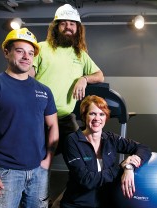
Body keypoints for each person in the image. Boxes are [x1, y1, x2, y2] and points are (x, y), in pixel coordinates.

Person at [0, 28, 59, 208]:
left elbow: (53, 126)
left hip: (38, 172)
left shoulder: (44, 90)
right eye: (20, 51)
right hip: (4, 172)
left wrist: (48, 159)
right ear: (6, 52)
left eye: (30, 53)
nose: (26, 57)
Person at [59, 95, 151, 208]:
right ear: (84, 116)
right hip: (76, 207)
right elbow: (87, 180)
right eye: (92, 113)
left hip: (104, 206)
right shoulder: (72, 141)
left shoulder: (110, 139)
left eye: (101, 114)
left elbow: (144, 148)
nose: (97, 118)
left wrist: (129, 166)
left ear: (106, 117)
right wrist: (120, 167)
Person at [30, 3, 104, 155]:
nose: (68, 27)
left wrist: (84, 78)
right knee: (38, 161)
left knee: (83, 156)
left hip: (65, 119)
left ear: (77, 29)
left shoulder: (80, 54)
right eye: (63, 23)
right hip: (38, 117)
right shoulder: (41, 48)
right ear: (56, 27)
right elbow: (26, 76)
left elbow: (100, 75)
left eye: (71, 24)